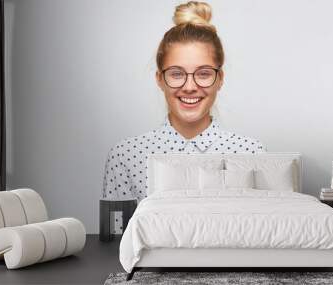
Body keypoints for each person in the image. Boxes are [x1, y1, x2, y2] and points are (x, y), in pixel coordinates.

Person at [102, 1, 266, 203]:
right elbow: (119, 234)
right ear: (160, 79)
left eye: (204, 73)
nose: (189, 86)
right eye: (177, 73)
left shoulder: (251, 153)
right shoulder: (126, 156)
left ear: (220, 79)